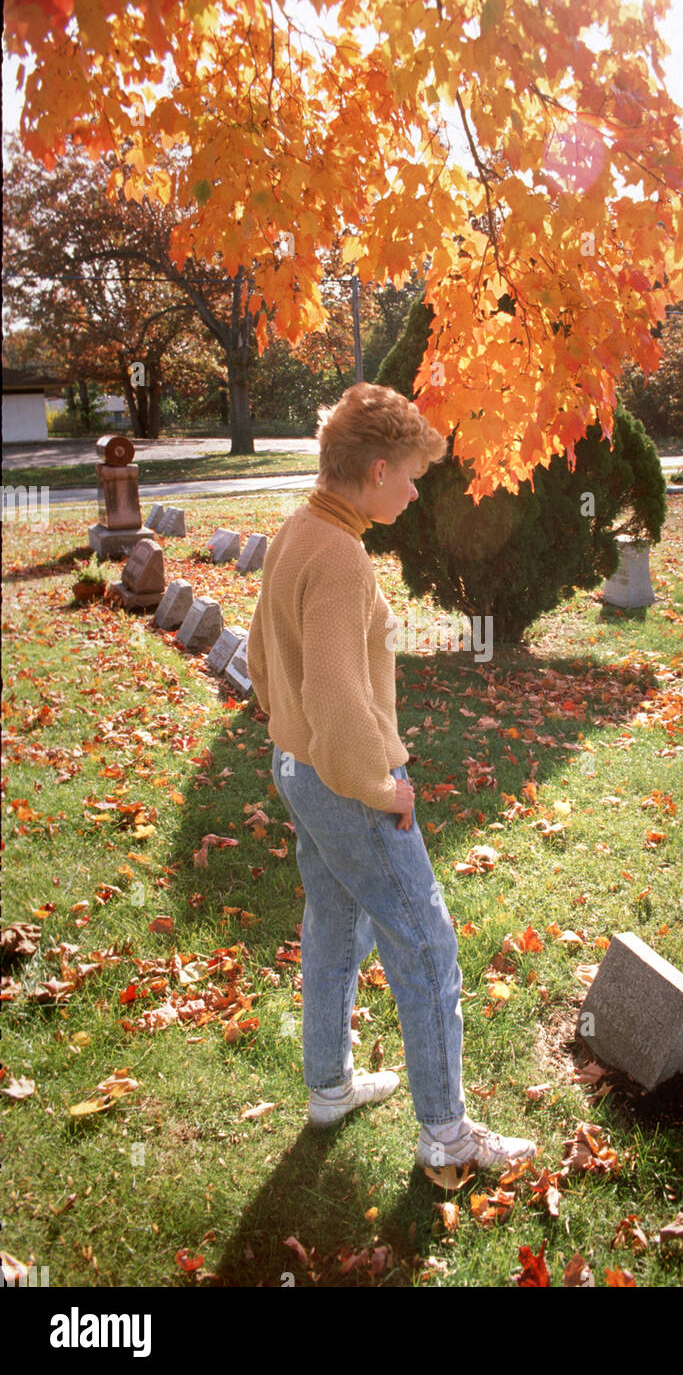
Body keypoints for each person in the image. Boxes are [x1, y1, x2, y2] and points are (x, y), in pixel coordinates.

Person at [247, 382, 537, 1170]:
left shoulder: (297, 529)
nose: (415, 491)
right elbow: (339, 700)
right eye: (410, 475)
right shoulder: (339, 559)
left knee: (335, 928)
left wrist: (286, 731)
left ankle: (329, 1087)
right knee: (427, 944)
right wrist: (382, 787)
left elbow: (262, 651)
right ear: (375, 471)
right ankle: (448, 1138)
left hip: (298, 767)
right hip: (342, 781)